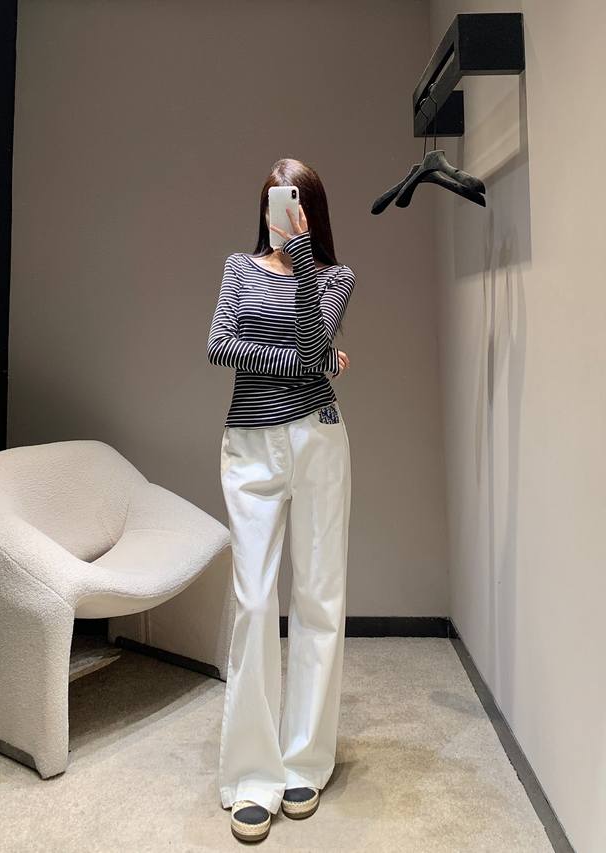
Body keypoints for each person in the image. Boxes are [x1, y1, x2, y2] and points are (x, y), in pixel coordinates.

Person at [207, 157, 355, 843]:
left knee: (320, 596)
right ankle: (251, 774)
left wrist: (300, 263)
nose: (282, 206)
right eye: (273, 197)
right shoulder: (238, 268)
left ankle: (304, 762)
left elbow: (314, 336)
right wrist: (308, 362)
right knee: (255, 601)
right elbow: (220, 345)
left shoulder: (334, 277)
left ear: (310, 208)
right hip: (251, 445)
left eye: (292, 198)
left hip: (319, 439)